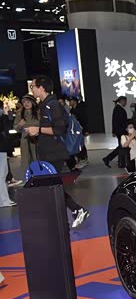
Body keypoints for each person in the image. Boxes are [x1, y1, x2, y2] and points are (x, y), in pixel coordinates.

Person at [26, 76, 89, 228]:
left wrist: (38, 129)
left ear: (42, 88)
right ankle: (70, 214)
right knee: (52, 186)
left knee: (52, 186)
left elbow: (59, 129)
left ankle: (73, 212)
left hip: (55, 152)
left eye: (33, 86)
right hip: (48, 152)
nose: (31, 89)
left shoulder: (52, 105)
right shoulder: (45, 105)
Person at [14, 94, 39, 175]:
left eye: (28, 102)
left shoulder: (38, 113)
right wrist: (20, 124)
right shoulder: (20, 114)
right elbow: (15, 128)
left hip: (36, 140)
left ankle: (39, 174)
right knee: (25, 159)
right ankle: (28, 176)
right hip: (25, 140)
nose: (26, 104)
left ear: (33, 103)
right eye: (24, 102)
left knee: (36, 157)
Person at [103, 96, 129, 168]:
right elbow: (119, 121)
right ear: (122, 101)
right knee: (121, 147)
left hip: (119, 131)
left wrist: (114, 131)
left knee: (121, 147)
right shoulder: (119, 109)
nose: (126, 103)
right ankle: (108, 158)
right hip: (121, 131)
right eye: (125, 101)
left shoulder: (117, 108)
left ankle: (120, 161)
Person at [0, 101, 15, 207]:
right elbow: (5, 128)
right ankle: (4, 200)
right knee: (2, 174)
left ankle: (4, 199)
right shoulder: (2, 117)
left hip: (2, 148)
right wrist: (5, 116)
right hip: (1, 148)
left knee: (3, 174)